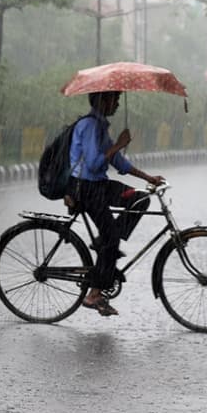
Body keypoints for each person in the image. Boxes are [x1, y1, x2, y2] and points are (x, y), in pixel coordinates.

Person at [69, 90, 164, 316]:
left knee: (139, 198)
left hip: (98, 185)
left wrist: (148, 178)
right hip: (86, 188)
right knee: (112, 238)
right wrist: (119, 144)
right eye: (115, 99)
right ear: (102, 100)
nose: (118, 104)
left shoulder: (100, 126)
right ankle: (94, 294)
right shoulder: (90, 126)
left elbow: (117, 162)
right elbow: (93, 164)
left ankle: (105, 244)